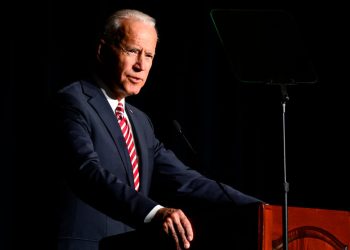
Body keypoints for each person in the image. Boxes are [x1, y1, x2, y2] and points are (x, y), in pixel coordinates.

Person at [52, 8, 263, 250]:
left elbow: (186, 181)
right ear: (102, 50)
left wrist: (260, 208)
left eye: (149, 55)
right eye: (132, 51)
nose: (141, 65)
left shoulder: (140, 121)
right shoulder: (72, 102)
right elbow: (88, 172)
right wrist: (155, 212)